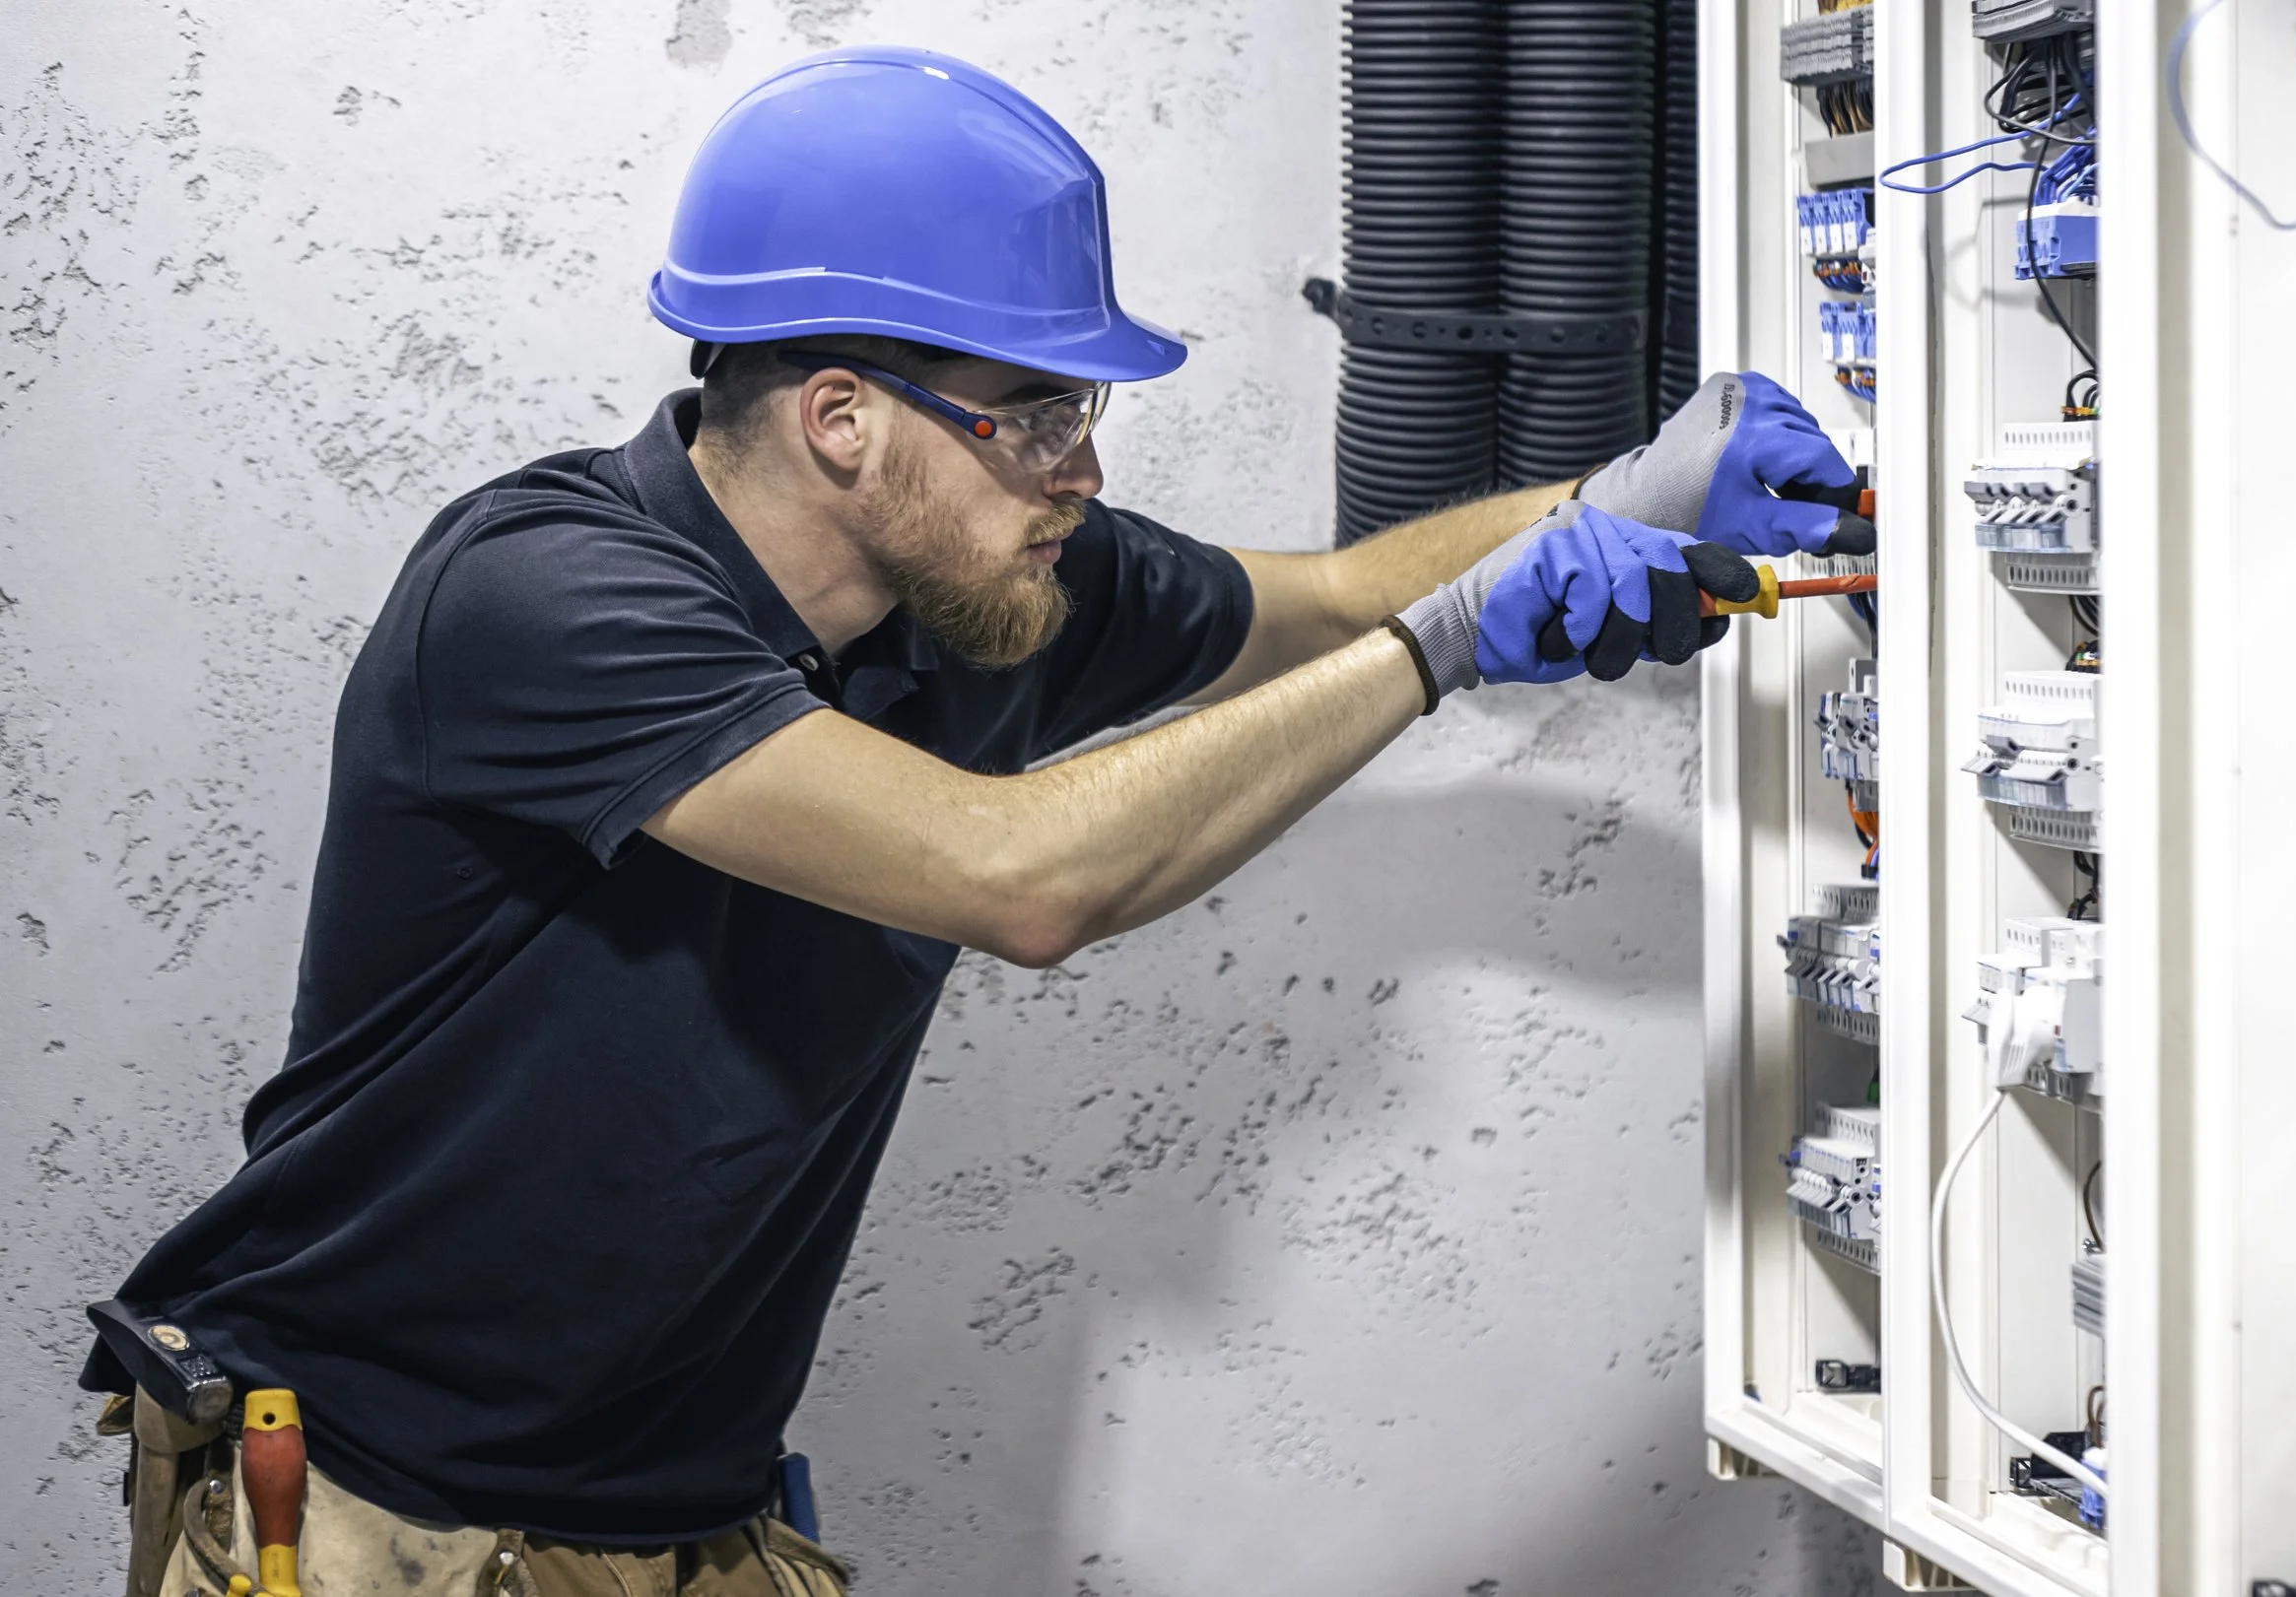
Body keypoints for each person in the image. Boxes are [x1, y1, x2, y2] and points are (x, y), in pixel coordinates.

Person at [83, 45, 1873, 1597]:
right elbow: (1014, 875)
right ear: (846, 421)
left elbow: (1324, 596)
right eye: (1035, 414)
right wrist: (1462, 637)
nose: (1081, 473)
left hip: (677, 1514)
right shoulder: (547, 598)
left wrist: (1600, 495)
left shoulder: (984, 598)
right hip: (367, 1509)